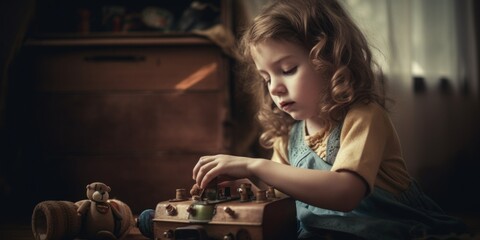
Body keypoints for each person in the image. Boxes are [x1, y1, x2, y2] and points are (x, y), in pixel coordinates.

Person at [192, 0, 469, 239]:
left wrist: (255, 165)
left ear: (330, 60)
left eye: (287, 69)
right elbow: (285, 198)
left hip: (395, 231)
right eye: (266, 78)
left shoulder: (364, 116)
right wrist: (248, 189)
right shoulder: (287, 137)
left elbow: (345, 194)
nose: (274, 88)